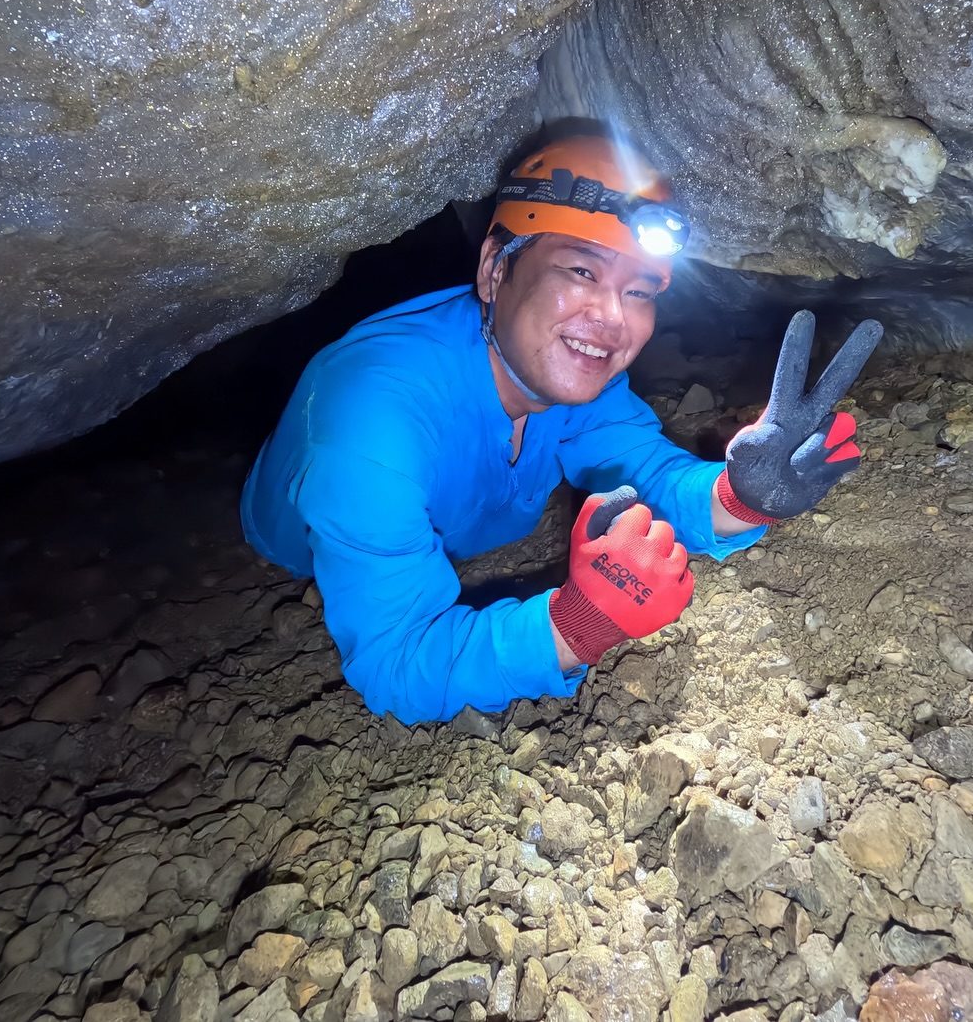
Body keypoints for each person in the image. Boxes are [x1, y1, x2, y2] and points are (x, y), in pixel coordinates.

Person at [240, 131, 881, 724]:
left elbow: (647, 471)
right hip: (302, 532)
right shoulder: (372, 430)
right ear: (496, 269)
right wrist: (575, 627)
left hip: (437, 512)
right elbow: (398, 664)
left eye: (641, 292)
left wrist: (743, 496)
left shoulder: (569, 376)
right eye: (581, 271)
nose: (612, 318)